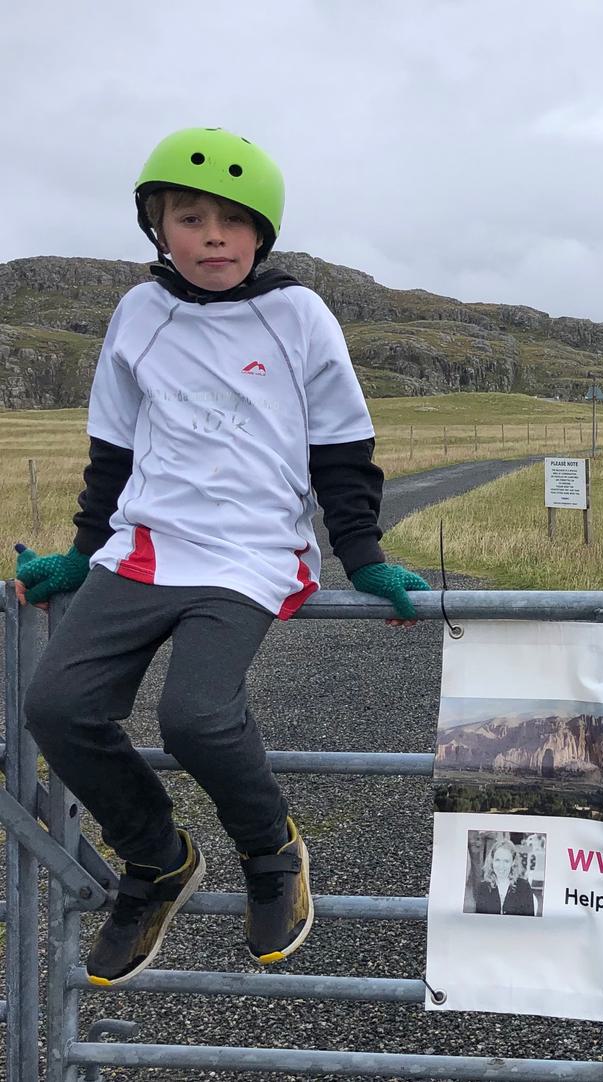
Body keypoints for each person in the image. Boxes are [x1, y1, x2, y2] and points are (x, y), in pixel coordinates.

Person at [13, 127, 430, 987]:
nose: (212, 236)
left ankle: (271, 853)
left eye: (233, 222)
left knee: (197, 717)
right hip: (142, 547)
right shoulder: (138, 314)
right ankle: (157, 859)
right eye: (190, 217)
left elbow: (344, 448)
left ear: (261, 234)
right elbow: (113, 451)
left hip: (249, 553)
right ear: (157, 229)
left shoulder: (298, 315)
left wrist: (363, 555)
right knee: (56, 706)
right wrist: (81, 552)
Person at [473, 840, 539, 916]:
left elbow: (528, 922)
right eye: (497, 860)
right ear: (492, 861)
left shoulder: (524, 887)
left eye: (506, 861)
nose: (501, 866)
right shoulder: (483, 888)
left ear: (513, 862)